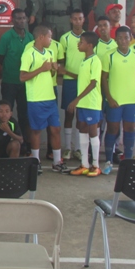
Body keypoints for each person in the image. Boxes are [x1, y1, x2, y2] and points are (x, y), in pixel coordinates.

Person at [19, 25, 69, 174]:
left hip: (50, 97)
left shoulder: (50, 52)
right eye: (49, 37)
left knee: (55, 129)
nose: (51, 40)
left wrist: (54, 69)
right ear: (41, 37)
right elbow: (22, 77)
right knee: (36, 130)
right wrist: (41, 69)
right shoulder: (28, 54)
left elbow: (50, 74)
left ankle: (57, 161)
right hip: (36, 98)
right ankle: (36, 161)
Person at [101, 26, 135, 175]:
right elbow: (104, 78)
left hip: (132, 100)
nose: (123, 41)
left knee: (130, 129)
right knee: (113, 129)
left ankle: (127, 162)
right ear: (115, 40)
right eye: (120, 38)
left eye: (126, 38)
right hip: (115, 100)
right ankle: (108, 161)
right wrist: (109, 97)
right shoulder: (109, 55)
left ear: (130, 38)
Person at [67, 32, 104, 177]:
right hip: (83, 103)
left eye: (81, 42)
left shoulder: (95, 61)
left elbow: (93, 83)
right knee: (82, 128)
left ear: (89, 45)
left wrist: (76, 99)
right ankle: (84, 164)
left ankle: (95, 165)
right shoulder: (84, 60)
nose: (78, 44)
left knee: (92, 131)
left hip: (91, 103)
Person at [0, 8, 33, 150]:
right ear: (12, 20)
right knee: (6, 114)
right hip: (9, 82)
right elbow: (0, 58)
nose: (21, 21)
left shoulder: (30, 37)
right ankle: (5, 143)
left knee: (24, 115)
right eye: (18, 18)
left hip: (26, 83)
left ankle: (24, 144)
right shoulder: (6, 37)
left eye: (24, 18)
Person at [59, 10, 86, 160]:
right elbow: (61, 61)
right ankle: (68, 148)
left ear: (83, 20)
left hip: (84, 82)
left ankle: (78, 148)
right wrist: (64, 72)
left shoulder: (88, 37)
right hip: (69, 81)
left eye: (80, 18)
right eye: (74, 19)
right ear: (70, 20)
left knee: (81, 116)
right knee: (69, 113)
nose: (77, 21)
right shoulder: (65, 38)